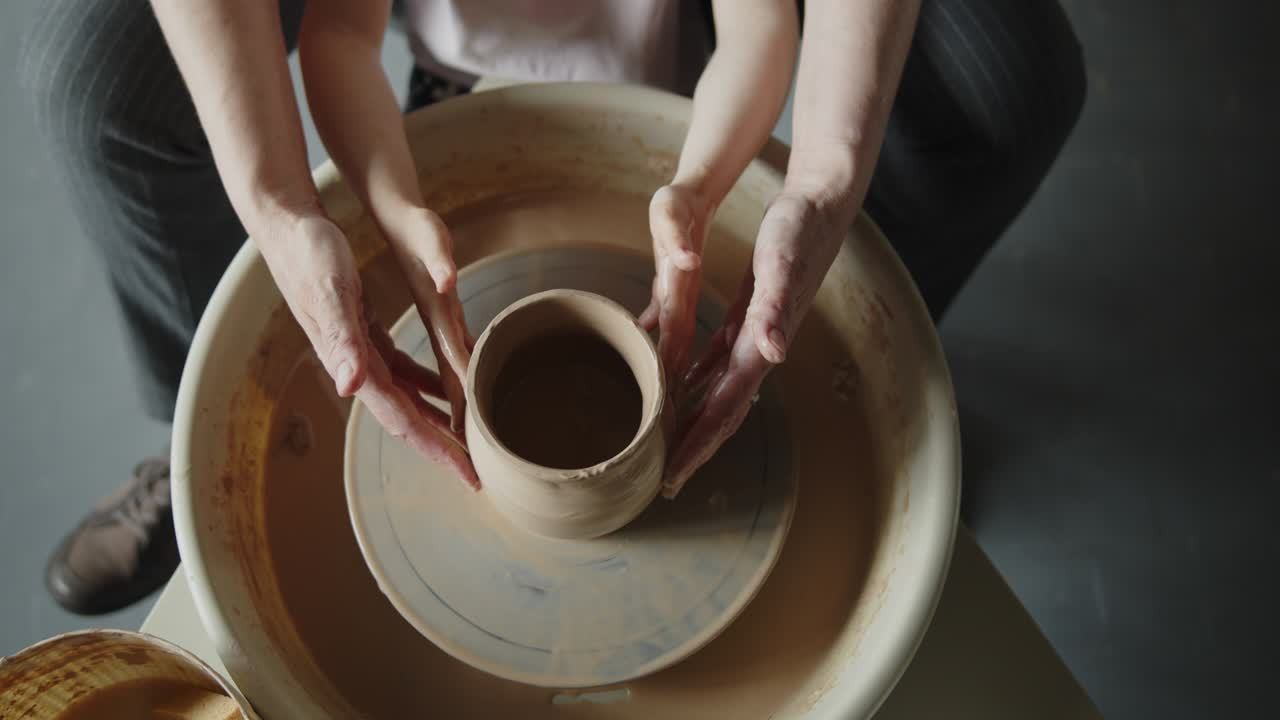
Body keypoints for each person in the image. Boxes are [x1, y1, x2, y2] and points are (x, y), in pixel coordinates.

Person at [22, 0, 1085, 615]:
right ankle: (188, 441)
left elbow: (765, 32)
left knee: (1008, 87)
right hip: (461, 35)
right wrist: (320, 210)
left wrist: (775, 186)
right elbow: (342, 36)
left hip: (699, 45)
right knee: (97, 83)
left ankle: (838, 375)